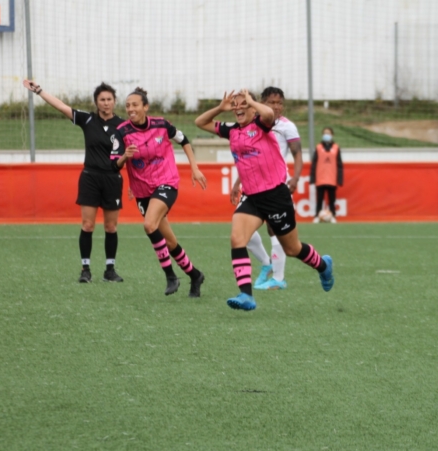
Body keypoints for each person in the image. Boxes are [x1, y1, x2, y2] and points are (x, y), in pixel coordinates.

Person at [195, 89, 334, 311]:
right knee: (237, 238)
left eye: (243, 104)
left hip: (276, 195)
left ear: (252, 107)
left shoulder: (263, 124)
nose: (238, 108)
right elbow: (200, 122)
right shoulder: (231, 130)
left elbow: (268, 114)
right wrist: (221, 108)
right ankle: (246, 295)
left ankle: (323, 265)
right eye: (235, 105)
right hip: (252, 197)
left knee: (292, 248)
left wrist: (250, 101)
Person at [22, 79, 125, 283]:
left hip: (113, 179)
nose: (106, 103)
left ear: (114, 101)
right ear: (96, 102)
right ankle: (85, 269)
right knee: (87, 225)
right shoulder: (87, 120)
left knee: (111, 227)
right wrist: (40, 91)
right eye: (102, 99)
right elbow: (61, 106)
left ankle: (110, 270)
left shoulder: (123, 125)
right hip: (90, 178)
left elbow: (130, 153)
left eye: (109, 99)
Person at [115, 87, 207, 297]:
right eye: (128, 105)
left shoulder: (162, 125)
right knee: (170, 241)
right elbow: (116, 164)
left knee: (149, 224)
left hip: (166, 182)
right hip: (142, 190)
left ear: (145, 107)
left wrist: (194, 167)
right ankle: (195, 275)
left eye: (135, 105)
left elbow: (184, 140)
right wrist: (125, 159)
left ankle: (170, 276)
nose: (131, 109)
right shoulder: (122, 131)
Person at [229, 86, 303, 291]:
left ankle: (278, 278)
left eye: (280, 103)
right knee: (243, 232)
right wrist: (238, 182)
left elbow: (297, 155)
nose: (277, 106)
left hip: (277, 185)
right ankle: (266, 263)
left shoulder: (286, 127)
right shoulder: (250, 125)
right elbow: (247, 157)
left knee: (276, 232)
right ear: (261, 102)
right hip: (253, 185)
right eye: (272, 102)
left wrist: (295, 178)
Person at [310, 127, 344, 223]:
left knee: (332, 200)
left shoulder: (336, 148)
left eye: (328, 133)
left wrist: (340, 179)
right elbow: (314, 164)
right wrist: (313, 178)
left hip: (332, 178)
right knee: (319, 199)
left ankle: (333, 215)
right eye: (325, 133)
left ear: (332, 135)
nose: (326, 135)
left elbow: (339, 165)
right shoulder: (318, 147)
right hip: (320, 178)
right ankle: (317, 215)